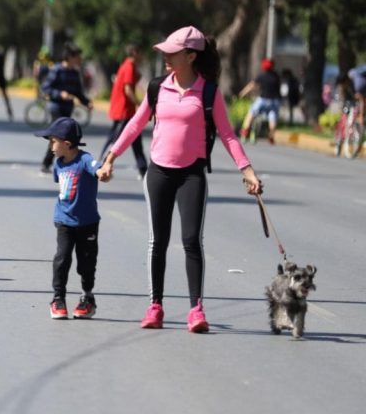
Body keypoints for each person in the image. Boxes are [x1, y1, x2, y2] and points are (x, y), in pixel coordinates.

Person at [97, 25, 262, 333]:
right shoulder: (158, 87)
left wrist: (247, 170)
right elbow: (134, 124)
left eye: (172, 53)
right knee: (157, 241)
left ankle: (196, 310)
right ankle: (155, 306)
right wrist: (111, 158)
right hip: (158, 172)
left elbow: (227, 134)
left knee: (191, 241)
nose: (165, 58)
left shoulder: (209, 92)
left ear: (190, 55)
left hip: (192, 174)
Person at [35, 117, 109, 320]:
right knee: (62, 258)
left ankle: (87, 297)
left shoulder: (84, 160)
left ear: (67, 144)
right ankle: (58, 298)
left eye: (53, 141)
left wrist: (103, 172)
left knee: (86, 262)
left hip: (87, 222)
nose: (50, 145)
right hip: (64, 220)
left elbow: (98, 168)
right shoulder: (58, 164)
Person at [39, 43, 93, 173]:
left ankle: (60, 163)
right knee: (59, 136)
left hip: (68, 108)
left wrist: (87, 102)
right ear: (70, 57)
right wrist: (60, 94)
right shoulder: (57, 70)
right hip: (56, 107)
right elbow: (46, 87)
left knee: (63, 137)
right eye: (77, 57)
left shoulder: (74, 73)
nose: (79, 59)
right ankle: (48, 163)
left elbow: (78, 92)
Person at [99, 43, 148, 179]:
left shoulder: (130, 66)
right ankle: (101, 165)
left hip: (128, 111)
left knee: (136, 139)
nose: (142, 56)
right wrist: (139, 103)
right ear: (134, 52)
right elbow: (128, 90)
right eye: (140, 52)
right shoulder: (128, 67)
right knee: (114, 139)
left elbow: (134, 81)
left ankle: (143, 169)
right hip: (123, 110)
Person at [238, 58, 282, 144]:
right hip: (275, 101)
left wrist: (242, 93)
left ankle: (245, 130)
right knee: (272, 118)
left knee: (251, 112)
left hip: (263, 99)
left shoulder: (262, 76)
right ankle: (271, 135)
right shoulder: (276, 76)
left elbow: (252, 85)